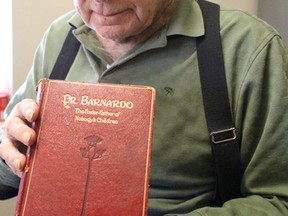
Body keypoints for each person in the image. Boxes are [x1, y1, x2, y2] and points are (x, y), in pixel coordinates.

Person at [1, 0, 288, 215]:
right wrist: (11, 153)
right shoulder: (60, 37)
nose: (102, 2)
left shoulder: (246, 46)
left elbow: (278, 200)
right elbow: (6, 178)